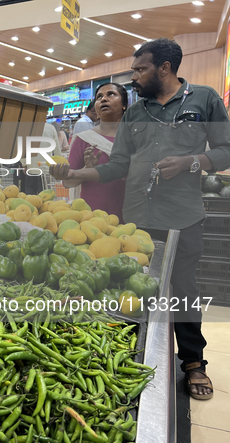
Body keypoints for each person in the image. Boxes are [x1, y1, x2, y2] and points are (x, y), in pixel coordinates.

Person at [50, 38, 230, 401]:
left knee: (182, 290)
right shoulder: (135, 113)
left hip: (182, 216)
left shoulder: (204, 99)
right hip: (136, 220)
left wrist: (191, 162)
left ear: (164, 68)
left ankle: (193, 363)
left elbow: (225, 151)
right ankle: (136, 359)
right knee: (132, 290)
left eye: (140, 69)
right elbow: (118, 164)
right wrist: (72, 174)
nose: (134, 77)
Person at [61, 83, 128, 222]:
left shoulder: (135, 138)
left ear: (124, 105)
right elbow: (67, 182)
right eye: (99, 97)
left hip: (129, 215)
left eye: (111, 94)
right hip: (92, 217)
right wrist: (88, 169)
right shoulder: (83, 139)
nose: (103, 99)